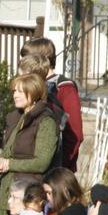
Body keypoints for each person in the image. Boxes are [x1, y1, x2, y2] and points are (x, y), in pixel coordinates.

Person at [0, 73, 58, 195]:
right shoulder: (17, 118)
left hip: (29, 192)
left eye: (20, 92)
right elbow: (9, 150)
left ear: (34, 93)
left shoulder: (46, 122)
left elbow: (42, 162)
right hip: (10, 189)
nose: (15, 95)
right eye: (14, 91)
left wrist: (8, 164)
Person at [20, 37, 82, 171]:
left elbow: (75, 134)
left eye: (25, 58)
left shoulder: (64, 88)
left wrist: (60, 168)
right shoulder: (35, 85)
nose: (22, 63)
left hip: (56, 171)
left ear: (40, 59)